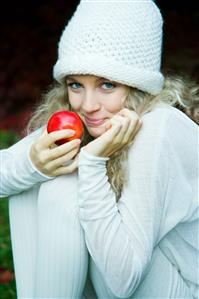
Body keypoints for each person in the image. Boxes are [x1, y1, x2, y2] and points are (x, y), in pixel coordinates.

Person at [0, 0, 198, 298]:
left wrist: (92, 161)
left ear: (136, 86)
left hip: (183, 285)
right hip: (126, 273)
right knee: (36, 179)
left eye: (107, 85)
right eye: (76, 85)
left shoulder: (160, 128)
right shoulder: (79, 117)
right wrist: (33, 163)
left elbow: (123, 281)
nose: (88, 105)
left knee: (64, 187)